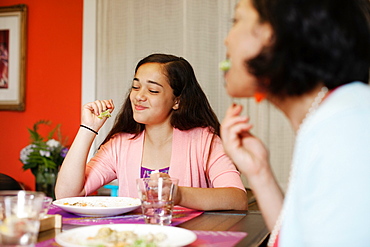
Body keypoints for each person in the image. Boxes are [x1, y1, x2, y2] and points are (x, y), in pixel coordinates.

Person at [220, 0, 370, 246]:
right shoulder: (332, 116)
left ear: (273, 34)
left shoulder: (344, 127)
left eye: (236, 21)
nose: (227, 40)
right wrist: (259, 173)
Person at [55, 53, 248, 211]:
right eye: (136, 87)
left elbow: (237, 198)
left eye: (153, 91)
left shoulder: (205, 141)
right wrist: (88, 128)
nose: (139, 96)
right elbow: (67, 195)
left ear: (177, 101)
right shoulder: (120, 143)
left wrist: (177, 194)